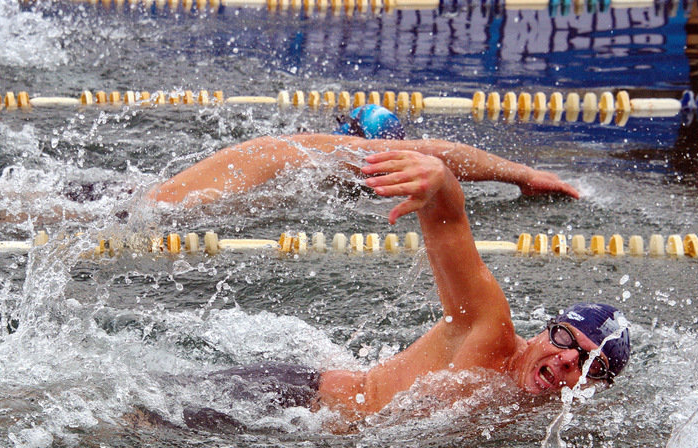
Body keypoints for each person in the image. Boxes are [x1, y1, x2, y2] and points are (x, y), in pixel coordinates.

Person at [142, 109, 629, 424]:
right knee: (134, 419)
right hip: (294, 402)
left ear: (595, 387)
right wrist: (442, 186)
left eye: (591, 364)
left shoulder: (541, 414)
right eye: (566, 340)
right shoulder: (490, 334)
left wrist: (517, 174)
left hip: (311, 432)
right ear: (547, 332)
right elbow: (451, 229)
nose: (568, 361)